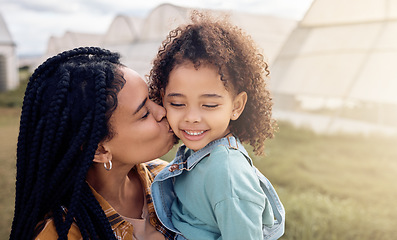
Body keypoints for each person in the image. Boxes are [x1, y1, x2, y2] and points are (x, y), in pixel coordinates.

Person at [9, 47, 177, 240]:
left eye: (151, 98)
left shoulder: (170, 178)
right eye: (144, 113)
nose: (162, 111)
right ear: (99, 149)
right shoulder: (61, 234)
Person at [148, 12, 285, 240]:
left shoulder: (228, 175)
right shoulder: (204, 156)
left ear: (237, 106)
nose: (191, 117)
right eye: (178, 103)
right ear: (163, 99)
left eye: (209, 105)